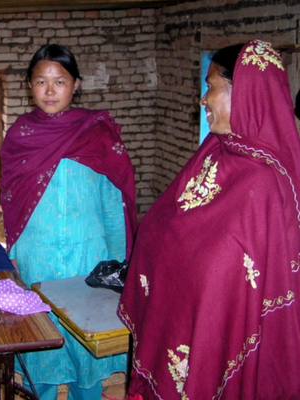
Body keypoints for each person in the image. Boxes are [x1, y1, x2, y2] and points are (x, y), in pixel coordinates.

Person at [118, 39, 300, 399]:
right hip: (180, 320)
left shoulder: (263, 182)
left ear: (244, 93)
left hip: (217, 332)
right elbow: (170, 224)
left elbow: (239, 273)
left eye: (211, 86)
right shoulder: (214, 153)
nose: (203, 100)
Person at [0, 44, 138, 400]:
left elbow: (113, 201)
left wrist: (120, 261)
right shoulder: (20, 137)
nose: (49, 90)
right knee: (39, 336)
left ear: (75, 84)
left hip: (88, 257)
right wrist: (11, 252)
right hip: (36, 257)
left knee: (85, 346)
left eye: (59, 81)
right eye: (41, 81)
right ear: (29, 85)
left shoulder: (98, 134)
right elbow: (11, 202)